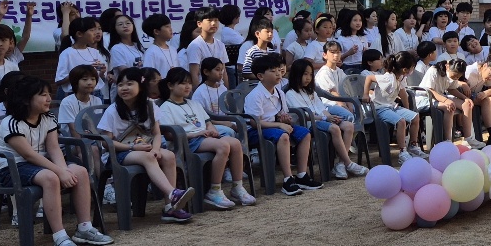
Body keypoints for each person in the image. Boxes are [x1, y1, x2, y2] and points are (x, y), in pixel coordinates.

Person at [0, 76, 113, 246]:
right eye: (43, 95)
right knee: (50, 178)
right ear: (25, 99)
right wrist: (59, 172)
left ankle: (84, 228)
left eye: (49, 94)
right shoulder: (11, 123)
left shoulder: (48, 117)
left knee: (80, 171)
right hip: (13, 168)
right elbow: (28, 155)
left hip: (42, 165)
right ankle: (60, 237)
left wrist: (64, 170)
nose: (49, 99)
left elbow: (53, 148)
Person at [95, 68, 194, 222]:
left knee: (168, 156)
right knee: (148, 157)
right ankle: (173, 193)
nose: (124, 88)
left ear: (140, 86)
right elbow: (106, 143)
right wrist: (132, 148)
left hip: (145, 147)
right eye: (120, 85)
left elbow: (156, 133)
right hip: (119, 153)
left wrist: (156, 149)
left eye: (129, 84)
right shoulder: (112, 111)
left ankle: (170, 208)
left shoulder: (149, 106)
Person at [155, 68, 254, 207]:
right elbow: (169, 134)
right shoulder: (166, 107)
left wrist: (212, 130)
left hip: (203, 138)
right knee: (223, 146)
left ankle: (237, 187)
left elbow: (208, 122)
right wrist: (196, 134)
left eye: (189, 83)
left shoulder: (193, 104)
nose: (188, 86)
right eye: (183, 83)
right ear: (170, 85)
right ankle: (214, 190)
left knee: (235, 143)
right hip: (186, 142)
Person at [243, 54, 319, 195]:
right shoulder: (255, 95)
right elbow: (254, 122)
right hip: (257, 131)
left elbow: (282, 114)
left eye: (279, 70)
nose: (278, 73)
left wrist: (284, 119)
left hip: (276, 126)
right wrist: (279, 125)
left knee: (305, 134)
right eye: (273, 71)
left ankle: (301, 175)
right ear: (260, 76)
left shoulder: (279, 92)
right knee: (283, 136)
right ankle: (288, 179)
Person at [283, 59, 364, 179]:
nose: (308, 78)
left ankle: (341, 164)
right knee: (334, 128)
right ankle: (349, 163)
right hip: (310, 123)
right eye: (305, 74)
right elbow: (304, 115)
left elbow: (321, 108)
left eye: (310, 74)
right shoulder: (290, 94)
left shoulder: (311, 91)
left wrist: (330, 117)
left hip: (322, 119)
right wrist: (326, 118)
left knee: (348, 126)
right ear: (296, 74)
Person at [367, 51, 426, 162]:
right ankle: (402, 152)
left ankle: (413, 145)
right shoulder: (388, 77)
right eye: (412, 67)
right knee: (401, 121)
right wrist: (365, 95)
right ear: (405, 69)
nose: (413, 70)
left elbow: (403, 94)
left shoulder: (401, 78)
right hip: (380, 108)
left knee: (415, 117)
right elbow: (369, 78)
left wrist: (407, 110)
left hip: (392, 107)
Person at [184, 8, 228, 80]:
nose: (213, 23)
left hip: (220, 86)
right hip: (203, 85)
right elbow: (194, 74)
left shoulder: (220, 45)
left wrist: (226, 87)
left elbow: (224, 72)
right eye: (209, 20)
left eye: (216, 20)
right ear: (199, 24)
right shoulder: (195, 45)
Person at [57, 65, 100, 137]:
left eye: (93, 79)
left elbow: (96, 125)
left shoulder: (97, 100)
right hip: (72, 141)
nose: (90, 82)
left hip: (93, 138)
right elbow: (73, 130)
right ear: (75, 82)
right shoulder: (67, 102)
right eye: (85, 79)